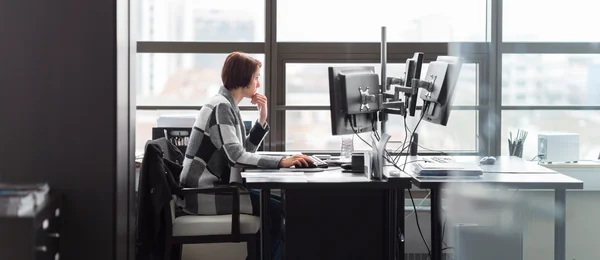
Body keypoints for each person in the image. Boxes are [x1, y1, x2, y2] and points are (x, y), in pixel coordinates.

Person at [178, 52, 311, 260]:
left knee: (279, 207)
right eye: (256, 77)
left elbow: (240, 152)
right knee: (276, 211)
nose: (258, 84)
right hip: (203, 194)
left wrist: (262, 118)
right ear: (244, 77)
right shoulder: (221, 106)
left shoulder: (227, 104)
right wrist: (281, 162)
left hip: (215, 190)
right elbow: (236, 157)